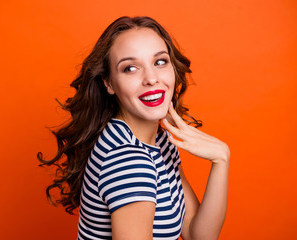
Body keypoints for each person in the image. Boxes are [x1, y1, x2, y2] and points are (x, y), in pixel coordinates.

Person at [38, 16, 230, 240]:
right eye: (130, 68)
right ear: (108, 83)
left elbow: (199, 235)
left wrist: (221, 159)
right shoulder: (129, 161)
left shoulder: (158, 141)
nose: (151, 78)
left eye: (160, 62)